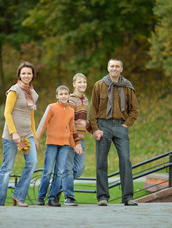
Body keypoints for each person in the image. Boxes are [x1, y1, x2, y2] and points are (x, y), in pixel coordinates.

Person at [89, 58, 139, 206]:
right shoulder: (99, 85)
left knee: (125, 160)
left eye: (117, 66)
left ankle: (128, 197)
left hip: (120, 126)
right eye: (112, 66)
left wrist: (126, 124)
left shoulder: (127, 87)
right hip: (103, 125)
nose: (114, 69)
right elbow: (93, 109)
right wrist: (95, 128)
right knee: (101, 162)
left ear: (121, 69)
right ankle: (103, 197)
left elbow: (135, 109)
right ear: (108, 68)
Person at [0, 61, 39, 207]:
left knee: (32, 163)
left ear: (32, 75)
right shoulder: (14, 90)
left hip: (27, 135)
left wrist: (35, 137)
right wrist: (13, 133)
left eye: (29, 73)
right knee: (7, 168)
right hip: (11, 136)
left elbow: (31, 117)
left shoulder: (33, 93)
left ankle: (19, 196)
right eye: (24, 73)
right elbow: (7, 113)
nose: (26, 75)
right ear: (19, 74)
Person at [36, 85, 80, 207]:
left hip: (65, 145)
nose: (63, 96)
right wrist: (36, 140)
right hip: (52, 144)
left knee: (59, 172)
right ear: (57, 96)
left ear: (69, 95)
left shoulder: (71, 111)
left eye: (66, 94)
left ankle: (52, 198)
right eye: (61, 94)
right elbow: (42, 124)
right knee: (47, 171)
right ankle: (41, 196)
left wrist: (75, 145)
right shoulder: (51, 107)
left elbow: (71, 130)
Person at [61, 73, 90, 206]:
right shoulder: (71, 100)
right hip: (70, 138)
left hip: (81, 139)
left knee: (79, 169)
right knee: (68, 168)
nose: (82, 84)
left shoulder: (86, 100)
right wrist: (76, 141)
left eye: (84, 82)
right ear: (74, 84)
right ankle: (69, 197)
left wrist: (93, 130)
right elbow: (70, 122)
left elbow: (82, 120)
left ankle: (59, 185)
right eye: (79, 82)